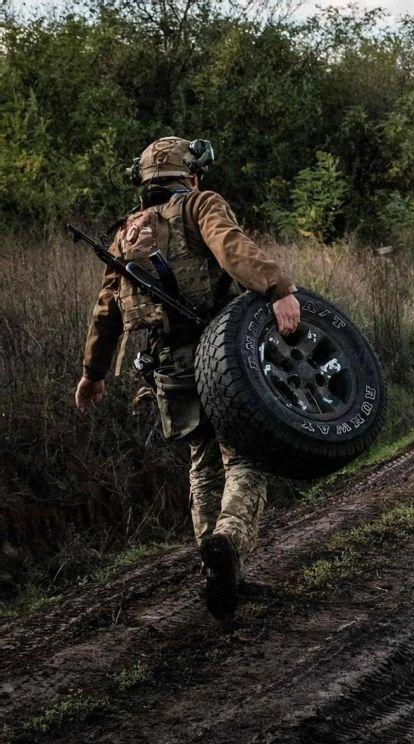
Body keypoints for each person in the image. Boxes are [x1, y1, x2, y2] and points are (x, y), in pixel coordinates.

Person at [74, 136, 300, 622]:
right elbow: (231, 247)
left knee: (201, 463)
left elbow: (106, 311)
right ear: (189, 175)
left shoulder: (124, 234)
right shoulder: (200, 204)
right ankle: (228, 544)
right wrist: (278, 289)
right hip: (221, 352)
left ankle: (216, 572)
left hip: (166, 363)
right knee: (244, 457)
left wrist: (93, 374)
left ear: (146, 182)